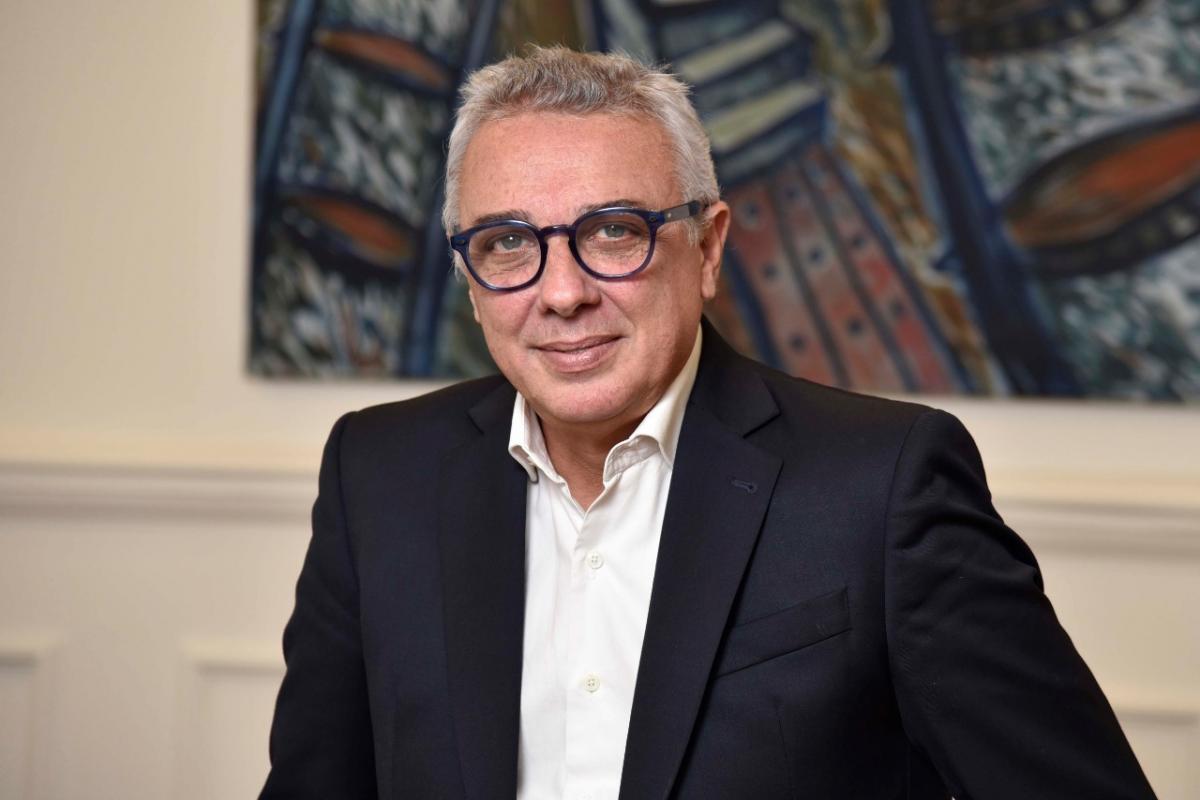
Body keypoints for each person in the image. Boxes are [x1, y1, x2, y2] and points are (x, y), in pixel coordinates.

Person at [260, 47, 1155, 799]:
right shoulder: (378, 475)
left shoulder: (885, 487)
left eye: (614, 232)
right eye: (507, 243)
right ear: (468, 274)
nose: (561, 294)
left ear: (710, 246)